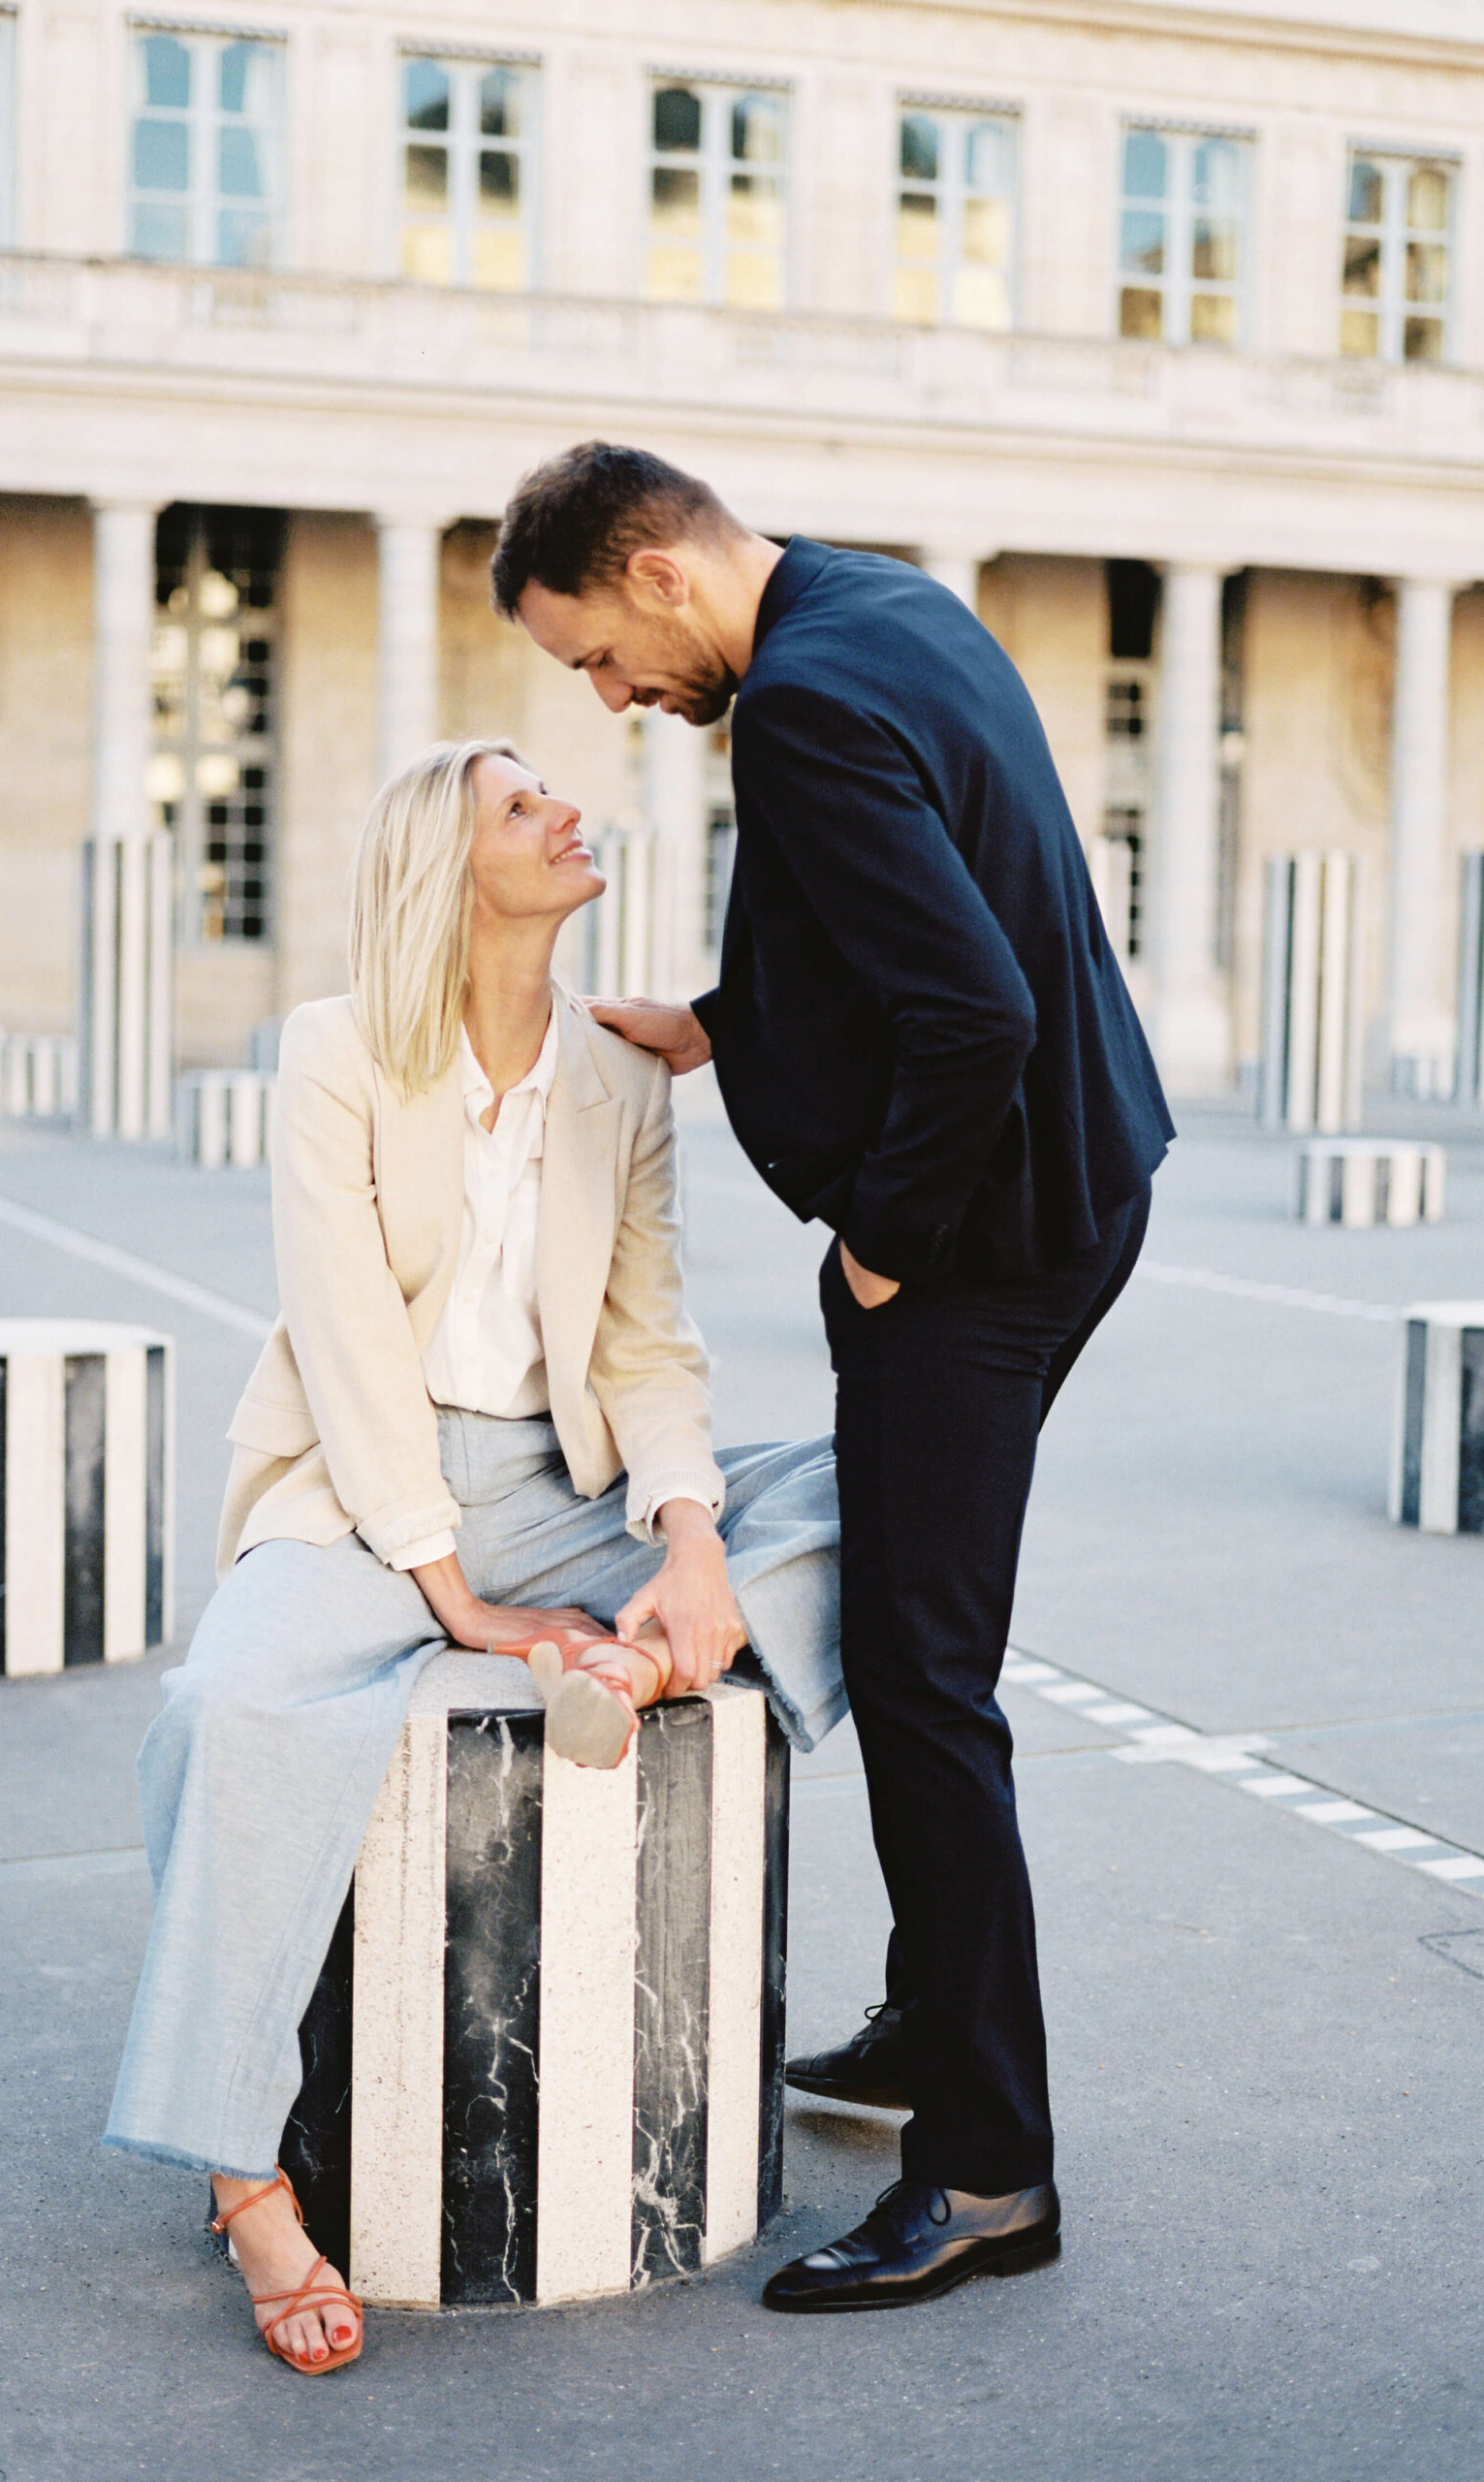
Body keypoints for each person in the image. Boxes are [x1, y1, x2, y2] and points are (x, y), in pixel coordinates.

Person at [492, 443, 1174, 2313]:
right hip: (1084, 1184)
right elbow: (927, 897)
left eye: (599, 664)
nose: (616, 705)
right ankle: (930, 2023)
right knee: (917, 1640)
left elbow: (972, 1003)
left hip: (975, 1242)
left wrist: (879, 1240)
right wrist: (715, 1025)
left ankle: (984, 2173)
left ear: (650, 573)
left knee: (922, 1678)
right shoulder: (882, 601)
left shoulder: (790, 702)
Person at [104, 737, 844, 2371]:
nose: (568, 812)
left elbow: (648, 1340)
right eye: (524, 804)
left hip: (559, 1484)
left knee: (886, 1478)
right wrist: (461, 1601)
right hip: (369, 1479)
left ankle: (644, 1654)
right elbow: (346, 1328)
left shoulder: (621, 1076)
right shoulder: (337, 1051)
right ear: (449, 866)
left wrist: (689, 1542)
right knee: (222, 1710)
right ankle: (248, 2183)